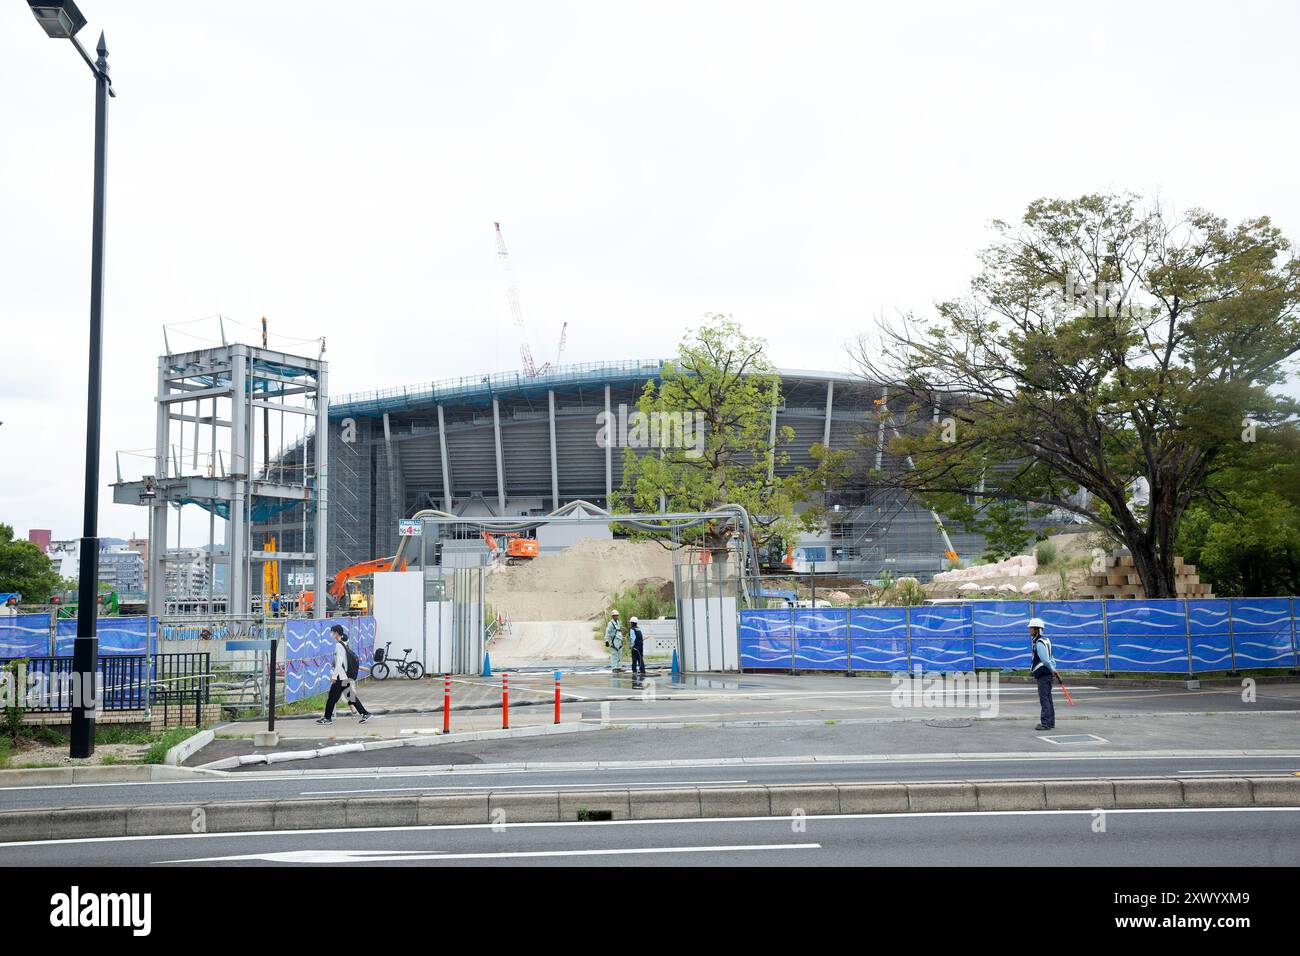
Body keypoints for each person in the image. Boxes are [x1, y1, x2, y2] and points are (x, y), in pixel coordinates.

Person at [317, 624, 373, 724]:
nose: (332, 634)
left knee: (332, 697)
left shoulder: (339, 645)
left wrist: (334, 676)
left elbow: (339, 662)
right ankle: (365, 714)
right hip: (344, 676)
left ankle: (327, 718)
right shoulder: (344, 644)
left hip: (340, 676)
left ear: (336, 633)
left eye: (332, 632)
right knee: (350, 696)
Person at [1028, 616, 1057, 731]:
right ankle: (1050, 722)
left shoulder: (1039, 642)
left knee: (1044, 698)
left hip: (1044, 674)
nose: (1029, 630)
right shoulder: (1046, 640)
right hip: (1048, 673)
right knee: (1048, 698)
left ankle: (1045, 723)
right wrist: (1053, 668)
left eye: (1031, 628)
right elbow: (1051, 657)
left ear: (1037, 629)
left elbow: (1045, 659)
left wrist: (1052, 669)